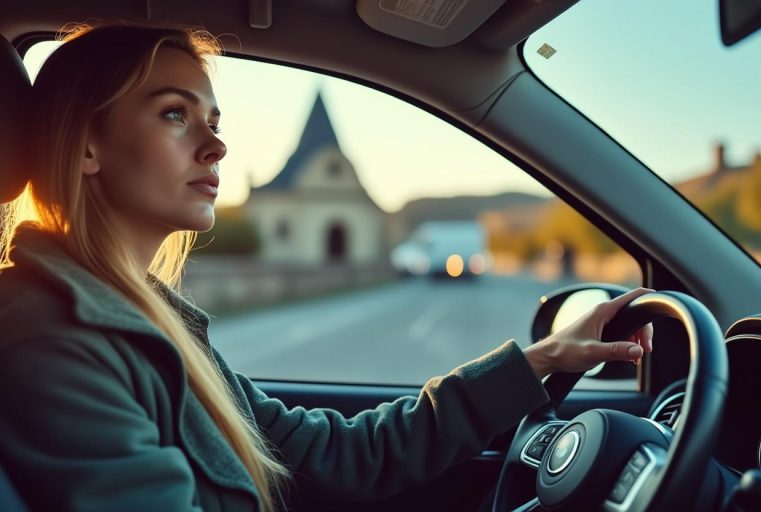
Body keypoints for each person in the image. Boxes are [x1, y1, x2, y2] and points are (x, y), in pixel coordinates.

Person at [0, 24, 652, 512]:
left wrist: (540, 361)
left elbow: (332, 453)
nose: (218, 143)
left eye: (214, 118)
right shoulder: (50, 337)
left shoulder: (145, 313)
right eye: (175, 113)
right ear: (86, 146)